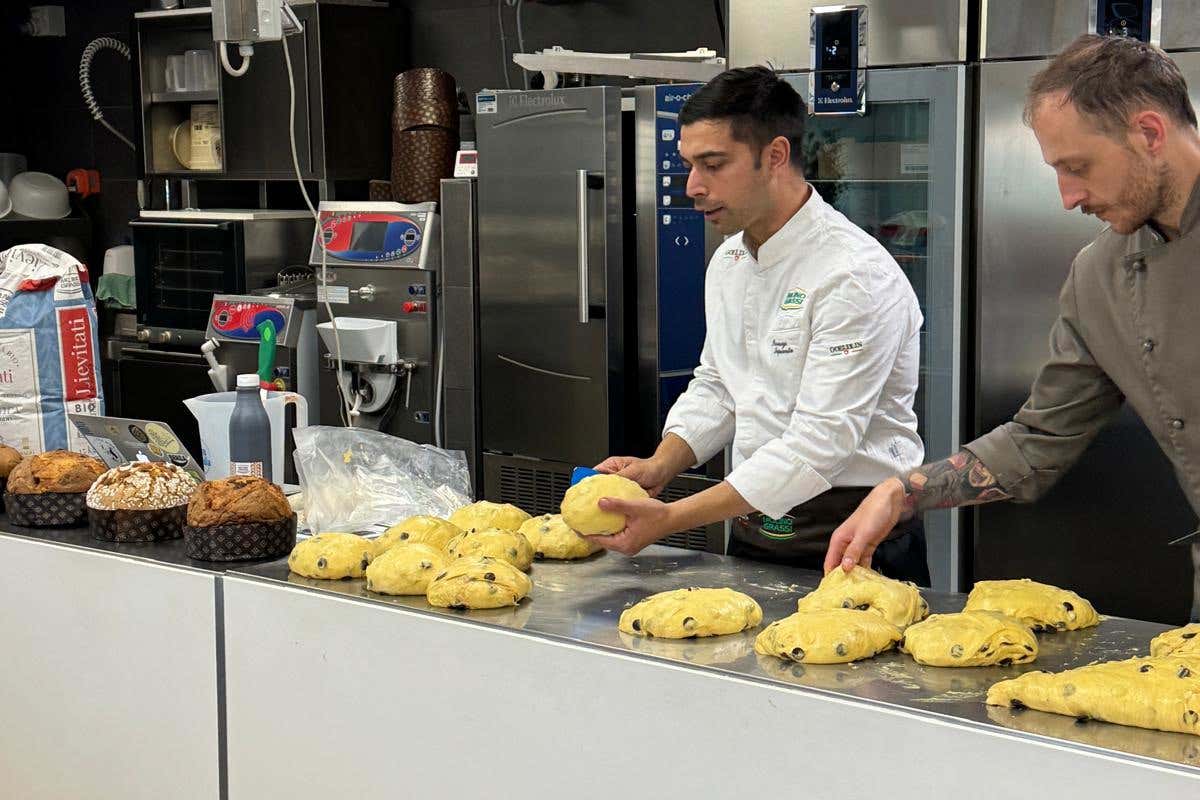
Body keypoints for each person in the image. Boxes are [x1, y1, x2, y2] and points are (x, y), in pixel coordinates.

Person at [824, 34, 1200, 621]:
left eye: (1078, 168)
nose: (1068, 197)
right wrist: (903, 492)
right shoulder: (1097, 276)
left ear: (1150, 134)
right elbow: (1039, 439)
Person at [591, 66, 929, 584]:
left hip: (852, 534)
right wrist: (661, 464)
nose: (692, 187)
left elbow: (820, 445)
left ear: (774, 156)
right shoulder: (729, 261)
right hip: (750, 523)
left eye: (713, 164)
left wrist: (672, 519)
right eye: (688, 165)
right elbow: (721, 385)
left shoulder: (854, 276)